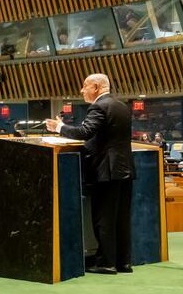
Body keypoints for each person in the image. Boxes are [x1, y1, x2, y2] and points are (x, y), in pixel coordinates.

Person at [47, 74, 133, 275]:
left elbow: (85, 132)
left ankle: (106, 263)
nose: (82, 90)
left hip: (106, 170)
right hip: (125, 169)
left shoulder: (99, 106)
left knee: (104, 218)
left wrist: (59, 127)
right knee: (121, 218)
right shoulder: (121, 106)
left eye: (85, 86)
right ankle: (123, 262)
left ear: (95, 87)